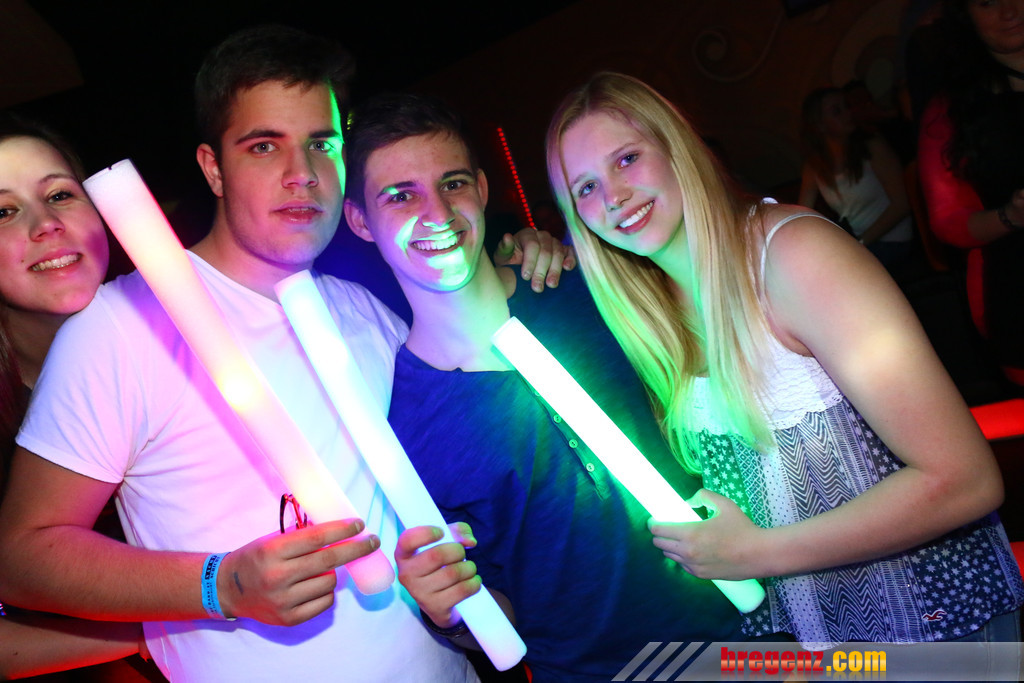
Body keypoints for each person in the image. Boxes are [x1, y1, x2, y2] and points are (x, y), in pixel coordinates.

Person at [545, 72, 1024, 651]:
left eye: (626, 159)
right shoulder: (650, 313)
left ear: (677, 148)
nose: (614, 196)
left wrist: (756, 552)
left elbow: (966, 480)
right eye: (586, 188)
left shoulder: (793, 256)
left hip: (938, 629)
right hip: (829, 648)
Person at [341, 92, 746, 682]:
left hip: (745, 634)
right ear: (360, 220)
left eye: (453, 184)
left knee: (879, 669)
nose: (437, 212)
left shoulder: (587, 287)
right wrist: (449, 613)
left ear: (481, 189)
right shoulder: (404, 419)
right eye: (401, 196)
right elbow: (502, 616)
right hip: (596, 674)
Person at [0, 113, 150, 680]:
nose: (46, 225)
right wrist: (168, 625)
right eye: (3, 211)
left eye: (60, 195)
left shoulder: (184, 339)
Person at [918, 0, 1024, 389]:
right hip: (1017, 286)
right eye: (987, 2)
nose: (1008, 11)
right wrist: (1011, 215)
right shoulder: (951, 111)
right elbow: (949, 222)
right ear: (967, 17)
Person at [798, 87, 914, 273]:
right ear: (819, 125)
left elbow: (902, 204)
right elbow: (803, 215)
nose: (848, 113)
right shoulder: (814, 166)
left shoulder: (872, 146)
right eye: (837, 111)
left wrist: (859, 243)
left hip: (892, 240)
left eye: (847, 106)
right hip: (859, 243)